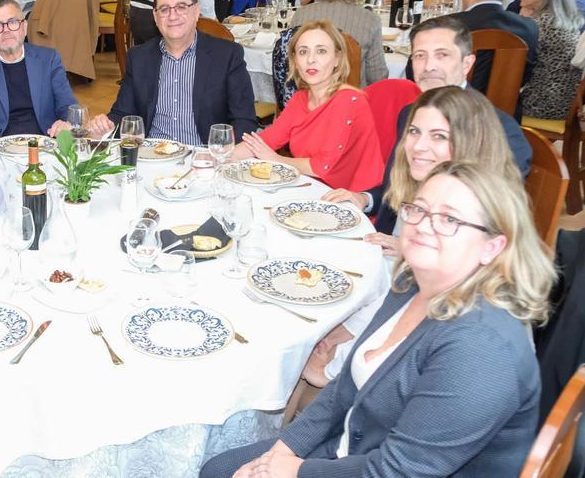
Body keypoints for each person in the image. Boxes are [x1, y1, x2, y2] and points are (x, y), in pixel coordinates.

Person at [201, 160, 554, 478]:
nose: (424, 226)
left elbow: (401, 471)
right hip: (356, 449)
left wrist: (295, 471)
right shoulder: (411, 282)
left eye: (449, 219)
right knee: (219, 469)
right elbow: (345, 387)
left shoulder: (481, 348)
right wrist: (285, 448)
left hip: (387, 468)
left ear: (492, 246)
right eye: (419, 209)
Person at [327, 16, 533, 243]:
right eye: (420, 56)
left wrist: (409, 247)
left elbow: (494, 223)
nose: (429, 67)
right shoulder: (410, 114)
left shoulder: (501, 131)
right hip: (385, 240)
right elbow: (398, 187)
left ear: (467, 64)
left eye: (442, 55)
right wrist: (365, 199)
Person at [92, 0, 256, 143]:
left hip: (204, 158)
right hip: (152, 156)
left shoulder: (227, 55)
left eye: (181, 7)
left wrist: (222, 152)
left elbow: (244, 121)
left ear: (197, 11)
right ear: (155, 17)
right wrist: (104, 127)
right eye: (164, 9)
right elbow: (122, 114)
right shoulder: (139, 57)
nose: (172, 16)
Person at [233, 20, 384, 192]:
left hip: (352, 200)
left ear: (337, 59)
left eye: (321, 51)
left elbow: (322, 167)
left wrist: (276, 159)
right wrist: (219, 158)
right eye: (303, 52)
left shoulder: (349, 101)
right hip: (312, 190)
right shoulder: (300, 100)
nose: (311, 60)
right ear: (295, 61)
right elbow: (263, 142)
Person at [273, 0, 386, 108]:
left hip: (307, 104)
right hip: (350, 108)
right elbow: (378, 78)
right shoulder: (370, 21)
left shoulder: (301, 14)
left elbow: (289, 66)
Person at [0, 0, 76, 147]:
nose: (6, 30)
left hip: (46, 141)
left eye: (13, 22)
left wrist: (67, 122)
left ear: (25, 27)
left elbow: (68, 104)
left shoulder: (48, 59)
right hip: (0, 146)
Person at [452, 0, 540, 95]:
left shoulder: (449, 25)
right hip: (507, 113)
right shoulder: (529, 27)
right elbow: (526, 76)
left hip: (456, 108)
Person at [517, 0, 585, 121]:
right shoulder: (561, 19)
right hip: (563, 101)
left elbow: (517, 67)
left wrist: (522, 21)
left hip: (543, 105)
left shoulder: (542, 24)